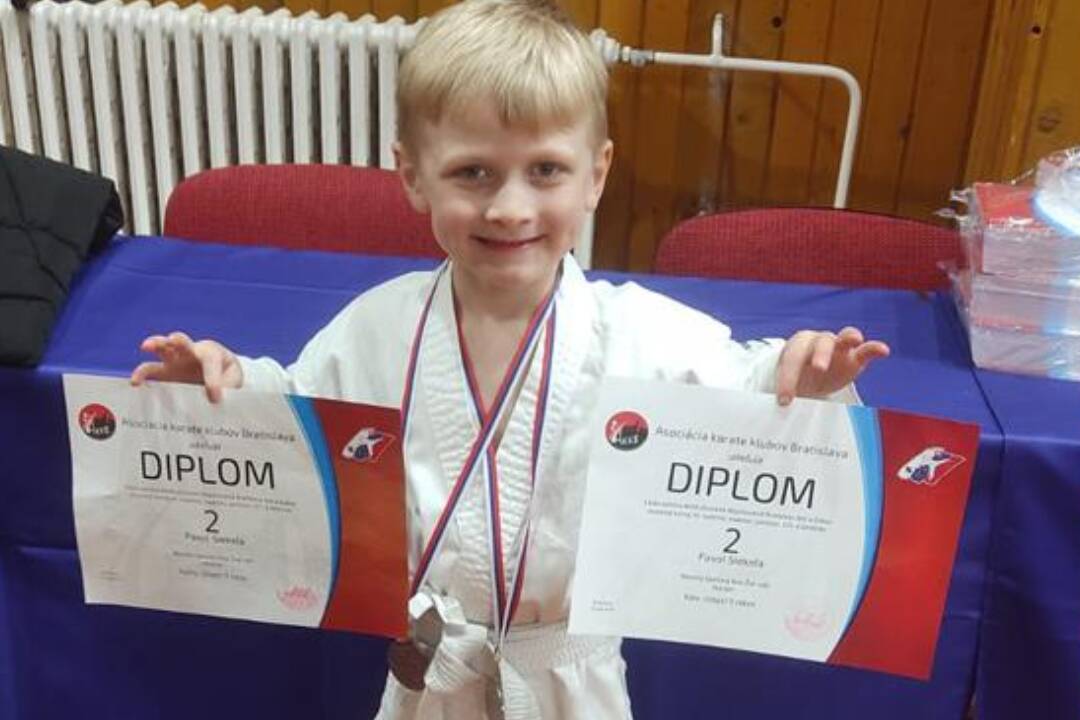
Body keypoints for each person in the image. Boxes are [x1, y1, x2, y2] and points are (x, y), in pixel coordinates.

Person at [130, 1, 889, 717]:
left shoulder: (638, 331)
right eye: (473, 172)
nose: (510, 208)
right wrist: (231, 384)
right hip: (436, 671)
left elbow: (747, 389)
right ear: (412, 175)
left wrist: (802, 378)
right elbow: (303, 409)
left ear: (596, 174)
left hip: (572, 679)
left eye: (546, 170)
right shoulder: (379, 327)